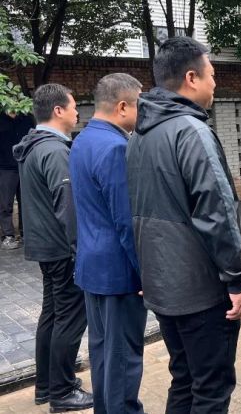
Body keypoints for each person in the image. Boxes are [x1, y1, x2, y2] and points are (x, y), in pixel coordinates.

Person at [126, 36, 241, 413]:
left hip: (162, 287)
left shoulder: (139, 136)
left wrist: (145, 275)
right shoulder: (191, 132)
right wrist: (236, 279)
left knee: (184, 377)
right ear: (192, 78)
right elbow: (217, 210)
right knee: (212, 387)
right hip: (200, 290)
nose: (215, 83)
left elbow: (136, 211)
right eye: (212, 74)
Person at [69, 73, 146, 413]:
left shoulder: (82, 139)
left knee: (103, 352)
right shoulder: (117, 147)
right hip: (118, 272)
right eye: (140, 105)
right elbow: (125, 220)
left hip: (92, 266)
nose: (142, 113)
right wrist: (145, 273)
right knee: (123, 359)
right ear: (122, 106)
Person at [13, 83, 92, 412]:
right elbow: (67, 205)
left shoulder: (33, 146)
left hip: (45, 246)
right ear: (58, 110)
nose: (77, 113)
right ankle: (62, 392)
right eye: (73, 107)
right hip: (62, 249)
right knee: (70, 318)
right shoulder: (55, 151)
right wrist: (80, 250)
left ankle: (46, 385)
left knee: (53, 314)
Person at [0, 107, 35, 249]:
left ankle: (26, 233)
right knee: (5, 204)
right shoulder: (1, 119)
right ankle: (8, 236)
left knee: (26, 202)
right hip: (5, 167)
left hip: (25, 164)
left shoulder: (27, 118)